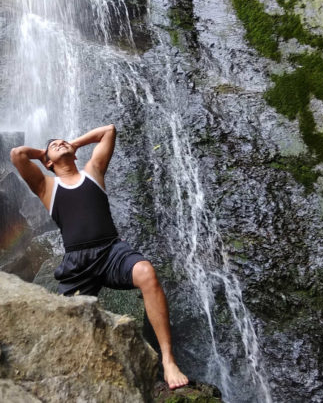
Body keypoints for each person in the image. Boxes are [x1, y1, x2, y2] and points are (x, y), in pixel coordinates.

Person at [10, 124, 189, 390]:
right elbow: (17, 154)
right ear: (47, 163)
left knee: (146, 272)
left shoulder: (93, 172)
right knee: (65, 322)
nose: (59, 143)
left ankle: (168, 360)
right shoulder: (47, 186)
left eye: (62, 142)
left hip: (111, 251)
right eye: (53, 145)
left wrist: (70, 144)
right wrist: (46, 152)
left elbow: (109, 131)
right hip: (77, 263)